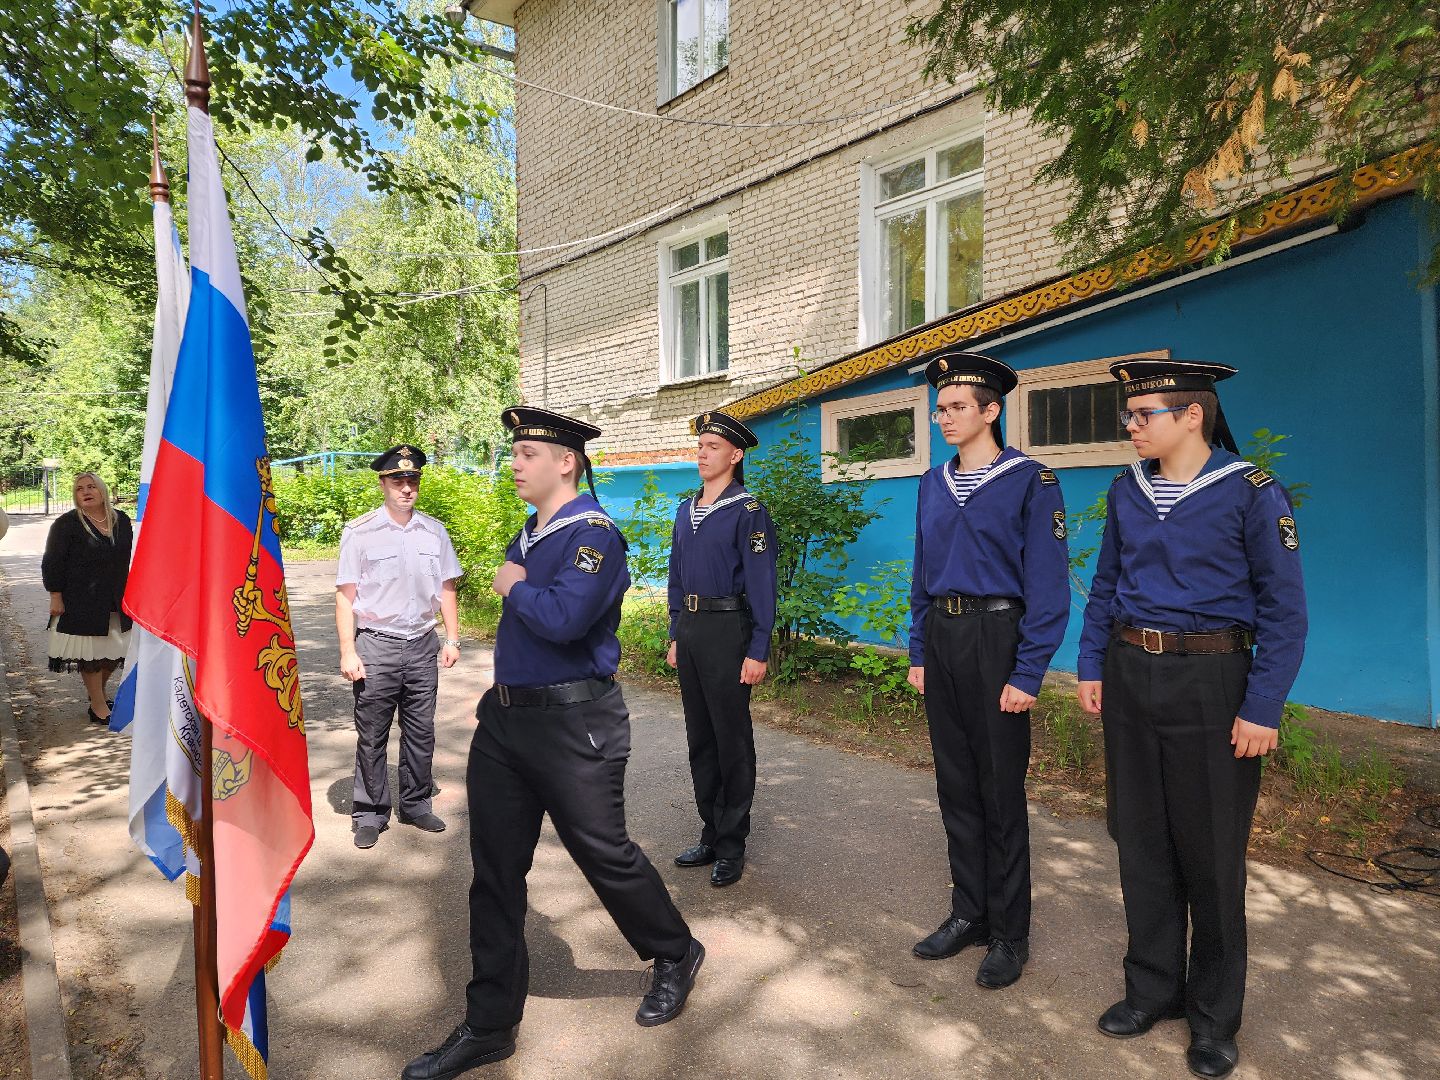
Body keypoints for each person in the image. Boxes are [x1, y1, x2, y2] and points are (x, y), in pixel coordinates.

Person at [404, 407, 702, 1080]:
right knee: (495, 873)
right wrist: (521, 581)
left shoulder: (593, 535)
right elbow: (538, 600)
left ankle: (675, 951)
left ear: (566, 462)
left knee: (604, 853)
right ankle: (489, 1026)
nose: (515, 463)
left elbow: (566, 619)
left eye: (528, 453)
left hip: (575, 726)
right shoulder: (532, 532)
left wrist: (512, 584)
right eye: (514, 452)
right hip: (505, 724)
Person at [1075, 359, 1307, 1080]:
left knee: (1210, 855)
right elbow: (1107, 583)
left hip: (1215, 681)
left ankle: (1213, 1019)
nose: (1131, 426)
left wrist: (1262, 704)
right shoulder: (1126, 490)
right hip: (1131, 672)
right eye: (1129, 414)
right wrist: (1090, 663)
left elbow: (1285, 610)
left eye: (1144, 414)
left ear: (1192, 416)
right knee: (1139, 841)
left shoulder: (1251, 493)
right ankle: (1152, 990)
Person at [906, 351, 1070, 990]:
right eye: (939, 408)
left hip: (999, 635)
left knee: (1000, 789)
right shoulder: (931, 481)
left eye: (955, 408)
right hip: (944, 637)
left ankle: (1010, 932)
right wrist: (918, 649)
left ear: (991, 410)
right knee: (956, 784)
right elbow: (923, 570)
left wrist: (1028, 670)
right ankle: (968, 911)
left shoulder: (1031, 479)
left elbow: (1048, 584)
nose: (943, 417)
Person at [666, 409, 777, 888]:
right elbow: (674, 577)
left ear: (735, 455)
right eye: (700, 446)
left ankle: (732, 843)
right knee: (700, 738)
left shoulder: (747, 512)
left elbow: (762, 586)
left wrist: (758, 648)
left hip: (729, 631)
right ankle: (710, 831)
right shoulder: (685, 509)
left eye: (712, 447)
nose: (702, 453)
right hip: (691, 631)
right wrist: (675, 633)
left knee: (731, 740)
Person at [336, 445, 462, 850]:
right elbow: (345, 596)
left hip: (423, 643)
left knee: (421, 731)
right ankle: (370, 812)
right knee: (372, 735)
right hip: (376, 645)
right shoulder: (360, 533)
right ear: (383, 483)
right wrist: (347, 651)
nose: (406, 488)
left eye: (413, 481)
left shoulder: (434, 532)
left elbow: (446, 587)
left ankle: (415, 803)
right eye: (398, 480)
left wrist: (452, 637)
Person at [42, 472, 133, 724]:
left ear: (102, 490)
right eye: (80, 488)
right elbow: (52, 563)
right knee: (90, 654)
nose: (86, 491)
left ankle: (100, 696)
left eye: (91, 486)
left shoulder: (121, 520)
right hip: (81, 600)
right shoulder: (66, 524)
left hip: (117, 598)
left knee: (114, 652)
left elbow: (125, 560)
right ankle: (97, 704)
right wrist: (55, 596)